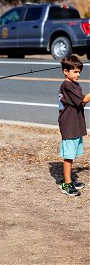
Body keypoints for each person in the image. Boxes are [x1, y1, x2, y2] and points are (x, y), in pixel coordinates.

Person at [58, 55, 90, 196]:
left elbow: (81, 102)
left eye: (79, 72)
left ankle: (69, 179)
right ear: (66, 71)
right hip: (69, 124)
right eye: (75, 72)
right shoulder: (67, 85)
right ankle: (66, 183)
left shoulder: (73, 85)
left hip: (74, 123)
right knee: (68, 156)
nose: (78, 74)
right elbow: (83, 99)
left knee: (72, 154)